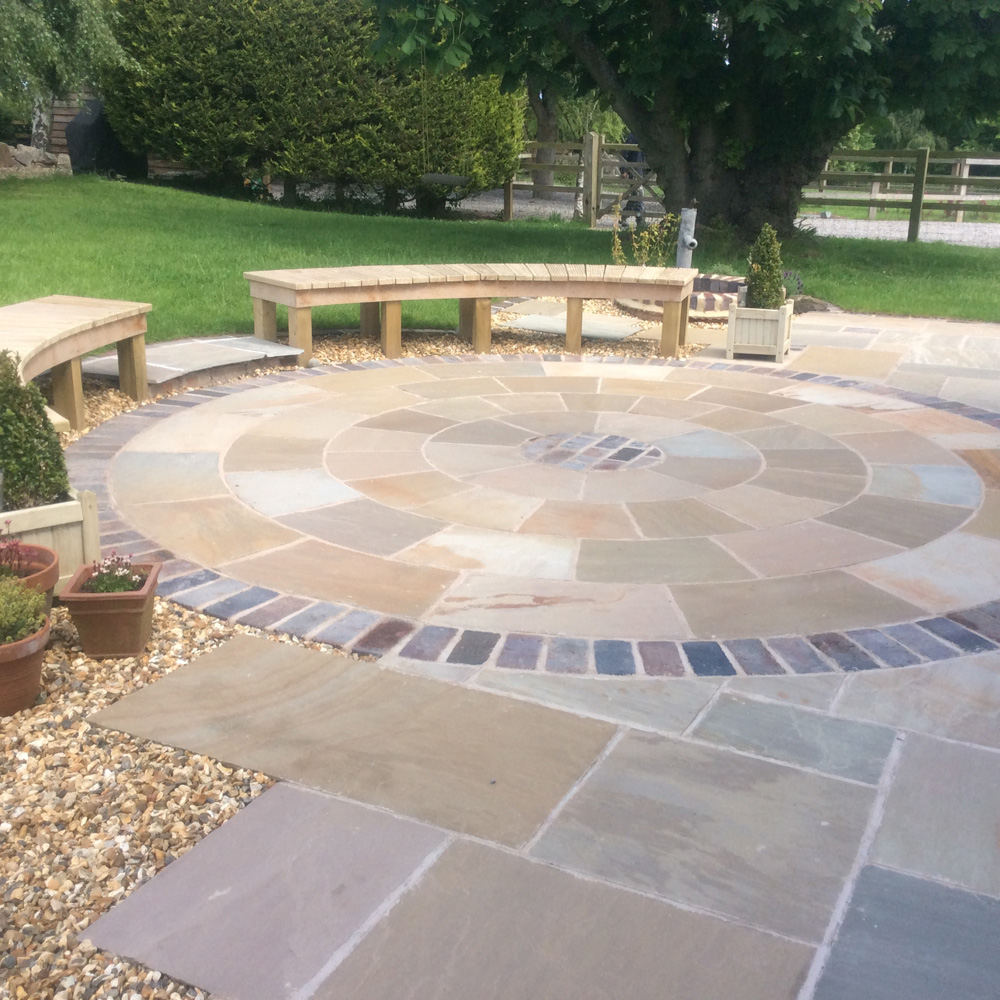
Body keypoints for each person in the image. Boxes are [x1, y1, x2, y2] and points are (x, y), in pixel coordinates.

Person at [621, 132, 645, 222]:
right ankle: (640, 219)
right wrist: (624, 169)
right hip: (634, 170)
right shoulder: (633, 135)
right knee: (639, 194)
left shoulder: (645, 135)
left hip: (640, 170)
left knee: (636, 195)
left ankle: (623, 216)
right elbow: (625, 151)